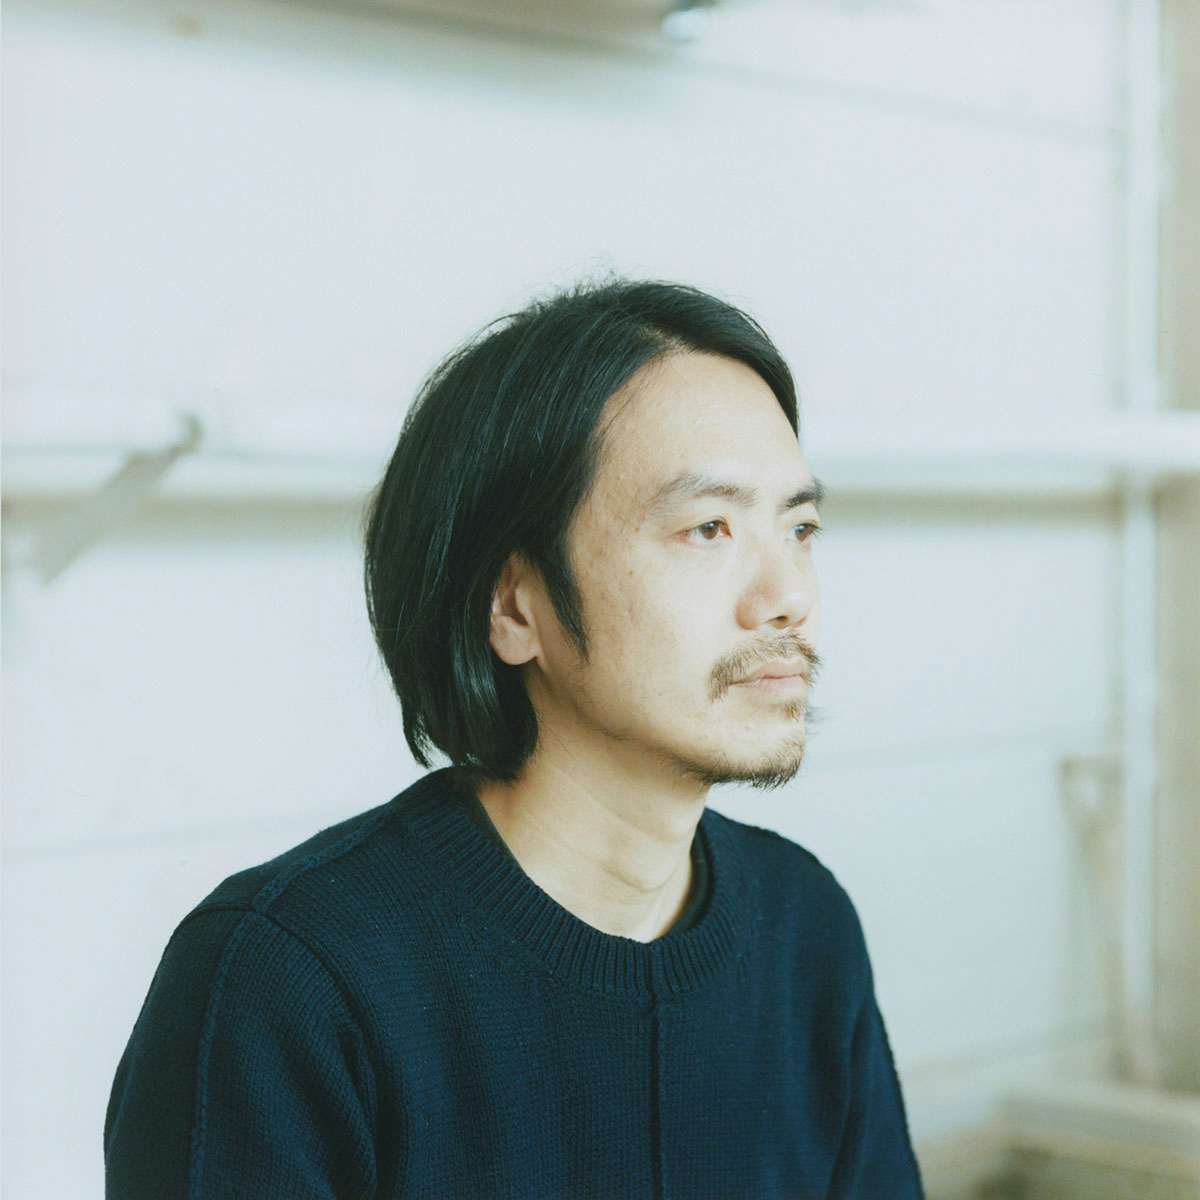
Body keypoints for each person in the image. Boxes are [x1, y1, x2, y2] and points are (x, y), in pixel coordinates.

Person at [103, 276, 925, 1198]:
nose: (789, 596)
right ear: (514, 606)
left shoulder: (803, 928)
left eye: (801, 527)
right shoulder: (287, 978)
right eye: (708, 529)